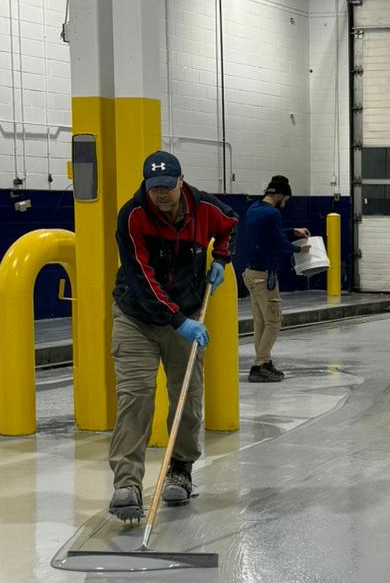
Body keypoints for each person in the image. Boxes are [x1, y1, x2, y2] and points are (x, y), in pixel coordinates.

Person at [107, 150, 237, 523]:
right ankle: (127, 484)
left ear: (181, 181)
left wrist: (222, 259)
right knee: (135, 397)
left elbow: (230, 225)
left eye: (167, 186)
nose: (161, 195)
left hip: (186, 310)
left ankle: (180, 468)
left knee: (187, 396)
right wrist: (179, 322)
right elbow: (141, 279)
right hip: (136, 316)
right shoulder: (132, 216)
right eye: (154, 188)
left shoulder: (205, 208)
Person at [241, 175, 310, 382]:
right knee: (273, 322)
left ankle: (265, 361)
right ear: (279, 195)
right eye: (285, 199)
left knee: (260, 322)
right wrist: (301, 248)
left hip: (250, 275)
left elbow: (271, 235)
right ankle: (259, 365)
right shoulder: (272, 214)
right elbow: (279, 243)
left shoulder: (254, 209)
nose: (285, 204)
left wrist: (293, 232)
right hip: (265, 277)